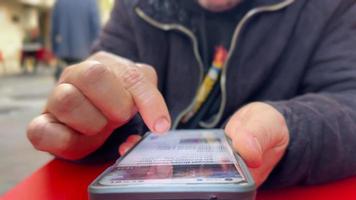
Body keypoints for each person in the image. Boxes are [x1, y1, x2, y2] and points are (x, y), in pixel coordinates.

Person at [27, 0, 356, 188]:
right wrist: (94, 117)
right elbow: (98, 82)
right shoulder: (136, 6)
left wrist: (291, 127)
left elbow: (349, 98)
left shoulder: (330, 7)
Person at [51, 0, 101, 80]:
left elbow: (54, 29)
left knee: (63, 85)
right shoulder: (91, 2)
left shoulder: (60, 2)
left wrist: (55, 49)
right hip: (84, 54)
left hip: (63, 53)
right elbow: (96, 29)